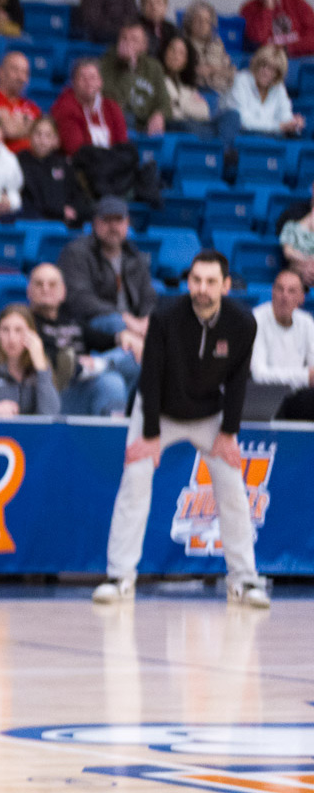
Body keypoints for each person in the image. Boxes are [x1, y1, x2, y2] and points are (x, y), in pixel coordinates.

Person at [93, 252, 269, 609]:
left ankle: (244, 579)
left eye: (210, 282)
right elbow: (151, 376)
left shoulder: (243, 323)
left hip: (209, 414)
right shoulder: (165, 317)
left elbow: (237, 382)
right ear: (188, 282)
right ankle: (120, 576)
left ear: (226, 285)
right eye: (196, 280)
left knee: (233, 487)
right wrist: (152, 434)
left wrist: (228, 433)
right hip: (159, 410)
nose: (202, 289)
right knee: (135, 478)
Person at [27, 262, 133, 419]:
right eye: (39, 284)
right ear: (28, 291)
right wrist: (80, 365)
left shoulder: (71, 320)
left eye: (52, 284)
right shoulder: (25, 322)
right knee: (111, 382)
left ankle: (104, 365)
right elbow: (53, 360)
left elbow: (101, 339)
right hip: (54, 393)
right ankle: (113, 439)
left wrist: (122, 338)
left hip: (84, 380)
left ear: (63, 291)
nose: (46, 288)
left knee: (135, 354)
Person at [57, 197, 155, 364]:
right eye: (107, 220)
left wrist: (146, 319)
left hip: (132, 323)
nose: (113, 227)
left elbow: (148, 296)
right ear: (95, 223)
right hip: (91, 324)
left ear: (127, 223)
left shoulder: (134, 256)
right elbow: (80, 299)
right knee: (117, 324)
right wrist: (124, 317)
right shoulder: (77, 253)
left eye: (118, 220)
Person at [51, 58, 143, 203]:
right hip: (82, 173)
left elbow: (121, 143)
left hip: (111, 171)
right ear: (73, 83)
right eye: (82, 78)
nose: (89, 83)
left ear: (100, 82)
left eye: (93, 77)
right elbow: (75, 149)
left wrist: (106, 158)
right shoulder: (65, 107)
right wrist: (109, 157)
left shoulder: (111, 107)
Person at [251, 269, 314, 422]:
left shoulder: (306, 322)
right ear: (272, 292)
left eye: (291, 291)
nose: (284, 296)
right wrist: (305, 376)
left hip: (298, 397)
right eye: (280, 289)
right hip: (264, 398)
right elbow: (259, 375)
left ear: (301, 298)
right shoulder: (257, 319)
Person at [98, 22, 169, 134]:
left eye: (134, 40)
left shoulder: (154, 66)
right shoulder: (105, 64)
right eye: (124, 39)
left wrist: (159, 114)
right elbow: (111, 99)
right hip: (120, 118)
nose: (128, 43)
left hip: (146, 120)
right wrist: (129, 68)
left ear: (144, 45)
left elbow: (164, 101)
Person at [18, 116, 89, 225]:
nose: (42, 140)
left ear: (55, 140)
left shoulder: (63, 164)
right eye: (38, 134)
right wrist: (60, 211)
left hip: (66, 223)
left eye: (48, 135)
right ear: (30, 136)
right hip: (36, 222)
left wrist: (75, 211)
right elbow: (31, 201)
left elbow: (77, 195)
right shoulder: (20, 162)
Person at [226, 44, 304, 137]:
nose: (266, 72)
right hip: (238, 141)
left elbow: (285, 117)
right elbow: (242, 122)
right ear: (256, 64)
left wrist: (294, 124)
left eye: (272, 69)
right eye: (263, 66)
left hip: (268, 143)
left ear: (278, 73)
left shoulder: (278, 88)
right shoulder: (240, 80)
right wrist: (278, 126)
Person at [0, 50, 40, 154]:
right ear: (0, 72)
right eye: (15, 70)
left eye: (25, 72)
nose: (21, 77)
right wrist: (27, 126)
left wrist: (11, 124)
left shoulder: (32, 106)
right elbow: (8, 131)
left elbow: (40, 133)